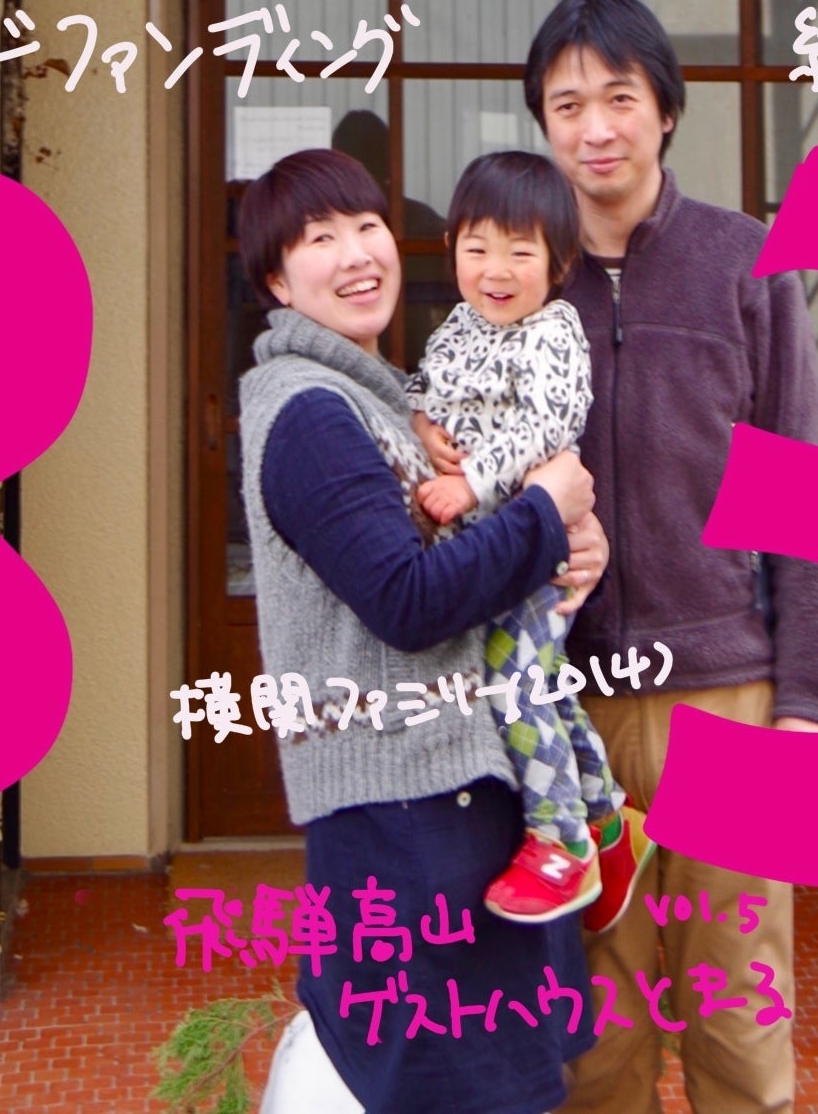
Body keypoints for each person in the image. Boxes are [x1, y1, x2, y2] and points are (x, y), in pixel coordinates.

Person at [522, 0, 818, 1112]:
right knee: (593, 1038)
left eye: (618, 98)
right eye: (567, 104)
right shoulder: (519, 274)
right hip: (568, 710)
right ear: (543, 124)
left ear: (664, 110)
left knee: (740, 1023)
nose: (594, 128)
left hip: (728, 698)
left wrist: (808, 702)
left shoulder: (743, 261)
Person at [235, 147, 609, 1114]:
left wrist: (568, 533)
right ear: (277, 281)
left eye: (366, 226)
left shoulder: (382, 397)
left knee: (493, 1083)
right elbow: (406, 601)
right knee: (445, 1085)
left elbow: (479, 540)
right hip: (404, 819)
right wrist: (548, 506)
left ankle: (593, 808)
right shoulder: (310, 415)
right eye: (320, 239)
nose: (357, 253)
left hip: (453, 797)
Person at [405, 149, 656, 931]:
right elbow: (425, 388)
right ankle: (607, 819)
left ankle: (560, 840)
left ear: (560, 262)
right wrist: (420, 421)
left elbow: (546, 429)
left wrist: (470, 482)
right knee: (537, 683)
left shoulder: (553, 331)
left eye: (520, 252)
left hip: (539, 551)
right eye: (477, 247)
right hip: (488, 551)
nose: (496, 270)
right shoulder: (457, 327)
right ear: (451, 248)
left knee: (516, 683)